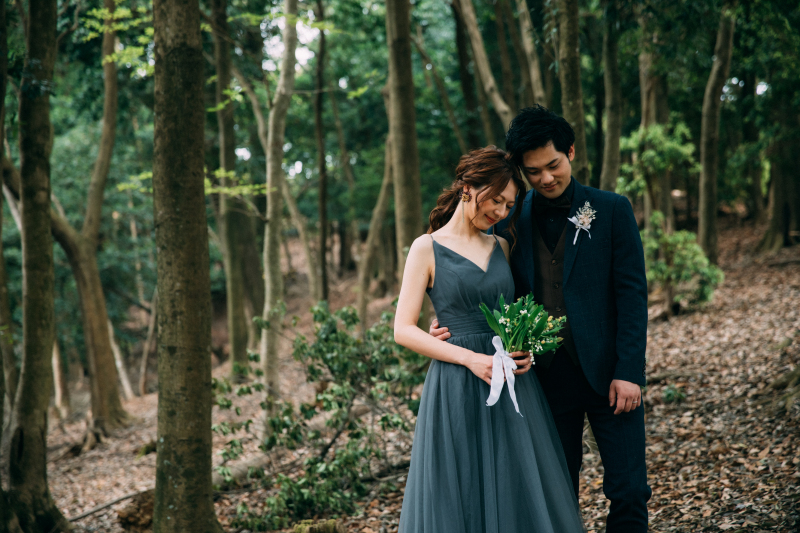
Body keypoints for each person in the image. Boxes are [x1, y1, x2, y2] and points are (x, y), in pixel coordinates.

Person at [431, 106, 652, 532]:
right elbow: (473, 275)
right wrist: (445, 326)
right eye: (533, 172)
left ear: (570, 151)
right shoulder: (508, 216)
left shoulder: (612, 210)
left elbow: (632, 297)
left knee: (629, 490)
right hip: (543, 381)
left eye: (553, 165)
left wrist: (629, 371)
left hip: (610, 375)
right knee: (555, 493)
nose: (546, 178)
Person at [395, 146, 585, 532]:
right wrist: (467, 357)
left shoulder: (501, 246)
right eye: (496, 200)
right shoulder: (425, 248)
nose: (500, 212)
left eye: (509, 204)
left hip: (512, 380)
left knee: (514, 484)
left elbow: (514, 313)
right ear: (467, 187)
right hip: (456, 383)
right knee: (461, 487)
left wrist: (526, 348)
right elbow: (403, 329)